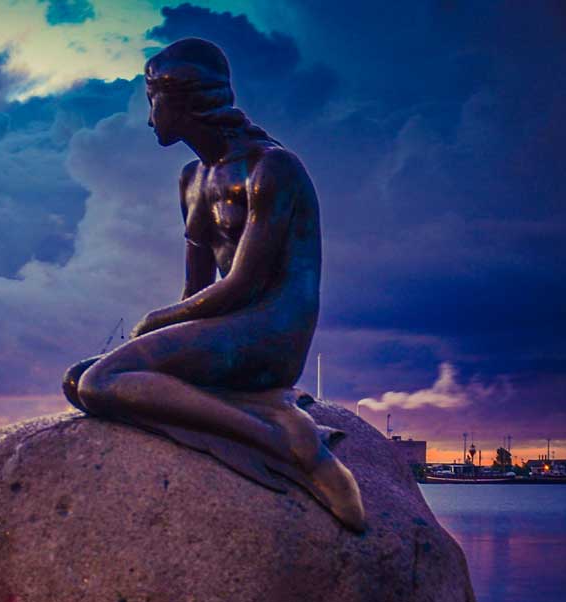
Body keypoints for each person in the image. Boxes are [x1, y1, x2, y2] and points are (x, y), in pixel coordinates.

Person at [61, 37, 365, 531]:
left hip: (270, 333)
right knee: (79, 379)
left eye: (152, 100)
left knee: (101, 381)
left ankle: (286, 443)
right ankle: (255, 417)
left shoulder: (272, 168)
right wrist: (162, 335)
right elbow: (195, 290)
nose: (148, 117)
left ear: (185, 97)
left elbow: (244, 284)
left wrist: (155, 324)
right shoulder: (192, 179)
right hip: (226, 331)